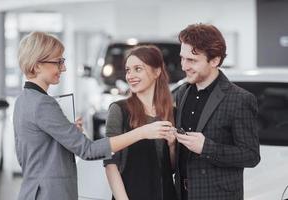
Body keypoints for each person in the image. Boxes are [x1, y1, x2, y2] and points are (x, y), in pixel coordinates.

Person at [13, 32, 172, 200]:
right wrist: (142, 132)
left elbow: (31, 156)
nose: (63, 68)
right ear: (37, 66)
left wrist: (68, 133)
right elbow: (88, 150)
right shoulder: (44, 104)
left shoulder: (23, 101)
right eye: (58, 62)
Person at [173, 23, 261, 200]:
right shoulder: (182, 92)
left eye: (192, 60)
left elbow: (251, 156)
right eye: (182, 58)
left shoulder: (240, 99)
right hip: (182, 195)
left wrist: (206, 147)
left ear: (214, 60)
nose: (184, 66)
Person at [104, 45, 177, 200]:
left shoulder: (171, 113)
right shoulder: (119, 110)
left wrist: (172, 146)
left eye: (138, 69)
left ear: (157, 72)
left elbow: (171, 169)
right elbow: (111, 164)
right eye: (128, 70)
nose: (130, 75)